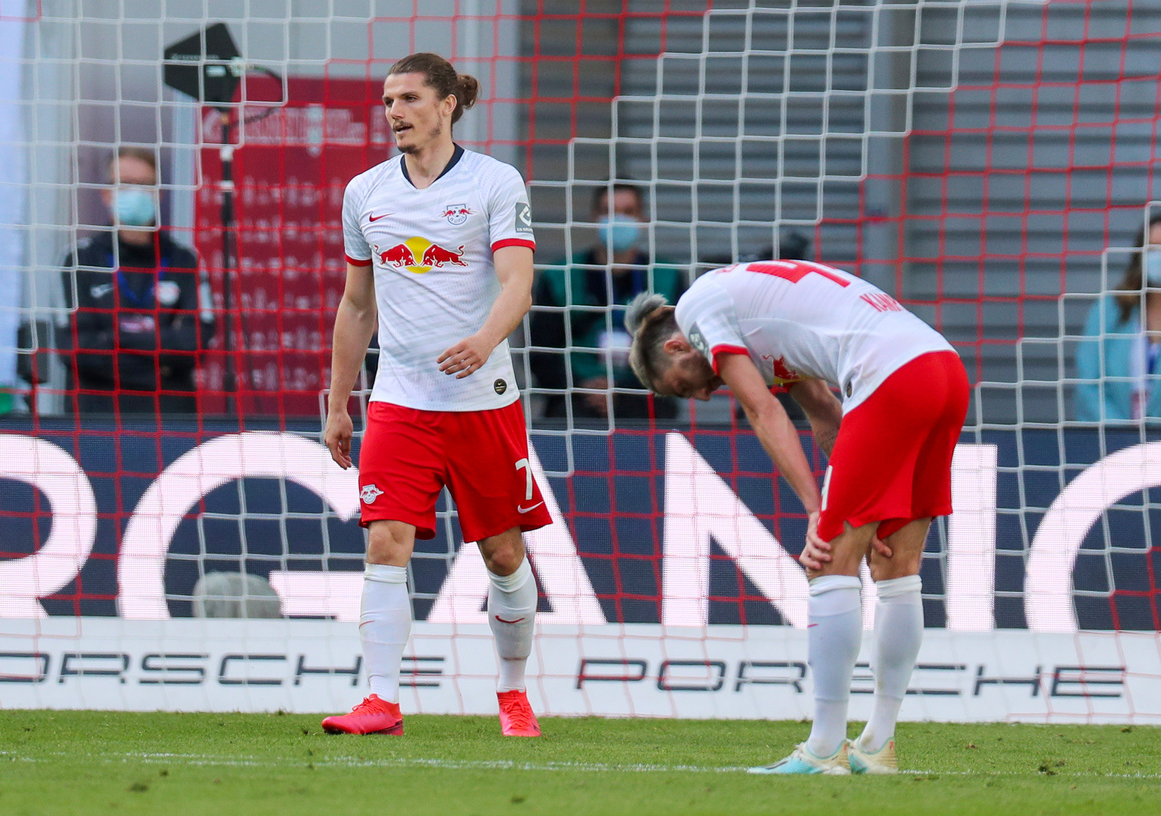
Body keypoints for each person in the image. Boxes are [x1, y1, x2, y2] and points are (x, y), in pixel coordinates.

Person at [625, 259, 969, 774]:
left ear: (677, 347)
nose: (701, 395)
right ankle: (877, 745)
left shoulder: (698, 307)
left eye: (681, 386)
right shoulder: (754, 315)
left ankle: (824, 749)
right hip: (942, 369)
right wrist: (861, 502)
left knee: (827, 563)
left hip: (890, 375)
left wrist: (817, 511)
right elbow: (825, 414)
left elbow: (762, 411)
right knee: (897, 569)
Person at [321, 53, 551, 738]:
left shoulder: (494, 182)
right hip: (399, 402)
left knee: (503, 555)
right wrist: (338, 402)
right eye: (388, 100)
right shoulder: (365, 192)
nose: (394, 112)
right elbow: (356, 304)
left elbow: (518, 283)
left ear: (448, 104)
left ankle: (512, 691)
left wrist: (483, 340)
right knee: (384, 542)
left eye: (410, 99)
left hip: (483, 401)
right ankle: (381, 700)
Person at [57, 146, 211, 416]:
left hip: (171, 420)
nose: (135, 192)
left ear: (159, 194)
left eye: (145, 185)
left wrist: (113, 338)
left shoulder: (185, 260)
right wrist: (159, 366)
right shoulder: (78, 259)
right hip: (96, 420)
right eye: (125, 184)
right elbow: (75, 348)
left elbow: (195, 343)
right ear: (106, 194)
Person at [529, 182, 685, 423]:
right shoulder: (560, 275)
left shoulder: (667, 276)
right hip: (573, 402)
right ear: (595, 217)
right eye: (608, 211)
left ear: (643, 219)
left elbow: (678, 352)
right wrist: (582, 386)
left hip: (646, 403)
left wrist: (623, 391)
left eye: (628, 212)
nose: (618, 220)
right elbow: (541, 353)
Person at [1074, 212, 1161, 422]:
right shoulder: (1110, 310)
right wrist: (1121, 433)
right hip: (1112, 437)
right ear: (1140, 255)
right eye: (1153, 249)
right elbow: (1089, 386)